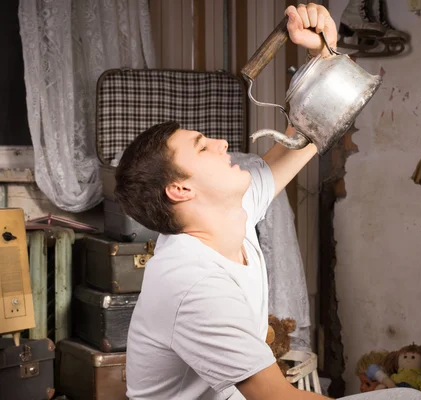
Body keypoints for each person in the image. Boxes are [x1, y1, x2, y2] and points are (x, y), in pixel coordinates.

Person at [114, 4, 338, 400]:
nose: (221, 144)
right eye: (202, 148)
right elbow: (277, 398)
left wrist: (323, 54)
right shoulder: (192, 281)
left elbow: (308, 133)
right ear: (180, 190)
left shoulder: (228, 215)